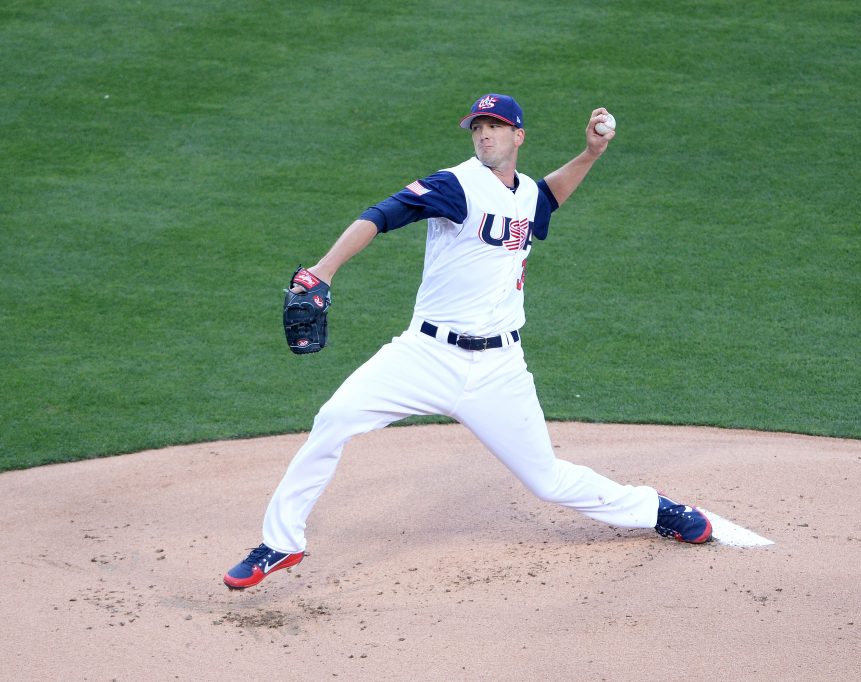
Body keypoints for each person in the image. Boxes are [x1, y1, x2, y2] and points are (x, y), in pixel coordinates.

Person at [224, 93, 712, 590]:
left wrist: (590, 155)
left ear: (518, 136)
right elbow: (380, 215)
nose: (484, 134)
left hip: (499, 368)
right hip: (425, 355)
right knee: (333, 419)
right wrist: (322, 270)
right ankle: (280, 544)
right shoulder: (454, 185)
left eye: (496, 126)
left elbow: (545, 199)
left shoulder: (523, 193)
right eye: (478, 126)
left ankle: (656, 509)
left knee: (547, 480)